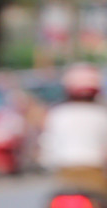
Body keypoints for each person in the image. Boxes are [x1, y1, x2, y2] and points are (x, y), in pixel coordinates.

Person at [38, 64, 107, 194]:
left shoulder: (57, 113)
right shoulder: (101, 113)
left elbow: (46, 146)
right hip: (94, 172)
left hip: (64, 173)